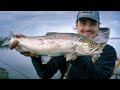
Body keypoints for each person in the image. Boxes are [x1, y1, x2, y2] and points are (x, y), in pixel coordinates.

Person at [15, 11, 117, 79]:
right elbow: (45, 74)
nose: (87, 28)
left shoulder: (107, 51)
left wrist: (76, 57)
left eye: (93, 24)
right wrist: (36, 56)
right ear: (76, 24)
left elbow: (103, 77)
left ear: (99, 26)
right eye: (83, 23)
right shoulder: (62, 46)